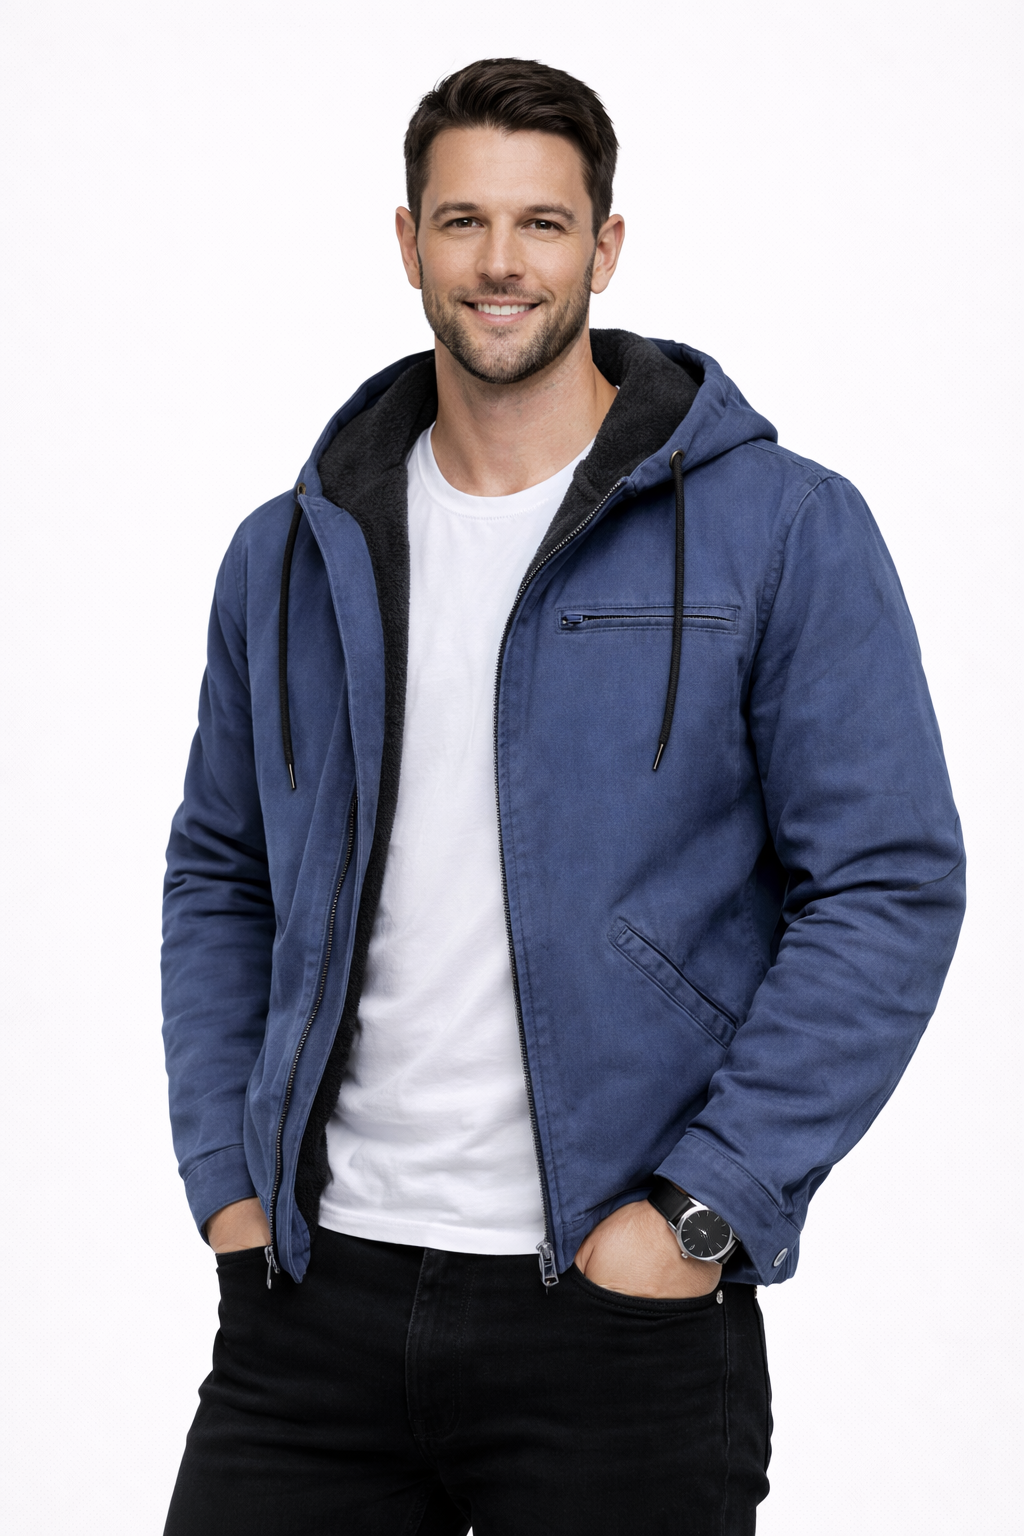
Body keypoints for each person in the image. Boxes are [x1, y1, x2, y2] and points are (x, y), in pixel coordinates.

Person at [161, 56, 965, 1535]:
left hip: (612, 1311)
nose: (500, 262)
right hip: (310, 1303)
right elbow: (220, 869)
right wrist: (227, 1178)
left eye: (542, 223)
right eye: (462, 220)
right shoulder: (289, 550)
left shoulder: (780, 527)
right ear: (407, 243)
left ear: (605, 247)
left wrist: (702, 1210)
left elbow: (889, 883)